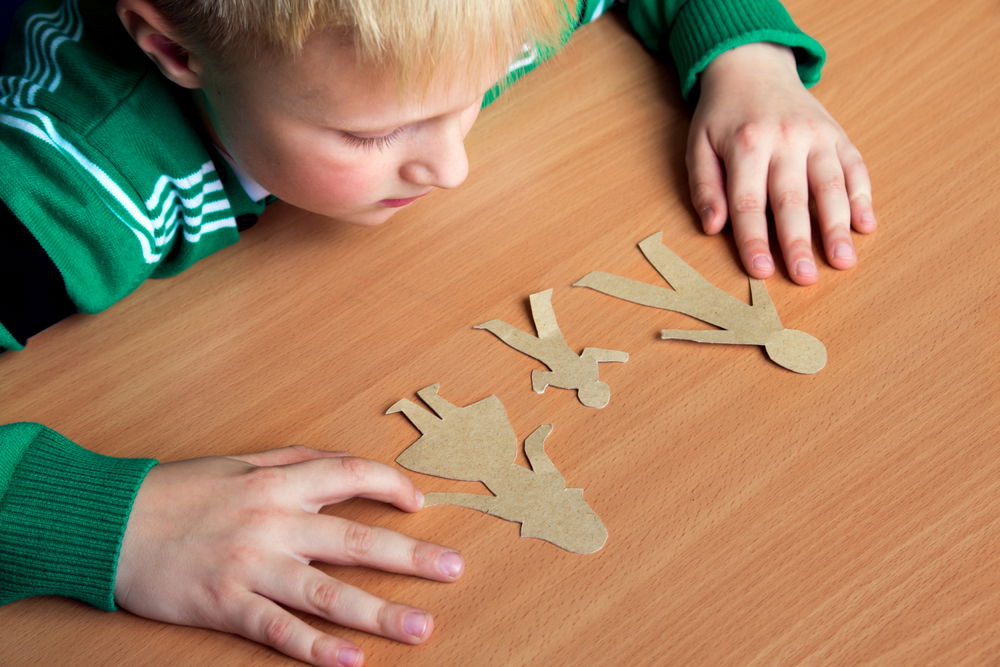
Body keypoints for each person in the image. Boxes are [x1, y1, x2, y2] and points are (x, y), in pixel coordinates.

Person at [0, 0, 876, 664]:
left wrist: (751, 65)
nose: (452, 167)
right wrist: (107, 521)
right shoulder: (61, 192)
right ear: (172, 48)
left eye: (500, 69)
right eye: (376, 130)